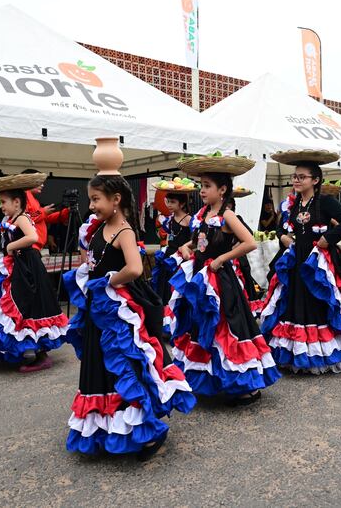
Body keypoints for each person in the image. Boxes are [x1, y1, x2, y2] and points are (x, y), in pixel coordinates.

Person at [62, 172, 195, 459]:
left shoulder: (125, 231)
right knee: (101, 367)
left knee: (126, 365)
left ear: (116, 199)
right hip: (100, 308)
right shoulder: (99, 228)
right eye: (91, 199)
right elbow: (91, 258)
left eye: (96, 199)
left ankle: (144, 434)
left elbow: (134, 269)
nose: (92, 205)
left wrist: (108, 280)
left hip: (120, 310)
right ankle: (108, 428)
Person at [170, 155, 280, 404]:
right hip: (200, 279)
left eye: (207, 185)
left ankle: (241, 383)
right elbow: (197, 241)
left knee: (225, 328)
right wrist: (187, 248)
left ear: (222, 190)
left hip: (220, 281)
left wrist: (222, 259)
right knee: (201, 327)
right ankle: (210, 379)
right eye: (201, 185)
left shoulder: (228, 216)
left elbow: (250, 243)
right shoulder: (201, 215)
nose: (202, 190)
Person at [260, 150, 341, 373]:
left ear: (316, 180)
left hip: (317, 263)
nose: (296, 181)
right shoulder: (294, 204)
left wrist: (326, 239)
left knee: (318, 301)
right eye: (294, 177)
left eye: (302, 177)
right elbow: (284, 226)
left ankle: (323, 352)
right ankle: (296, 352)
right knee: (294, 302)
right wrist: (283, 235)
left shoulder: (325, 202)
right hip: (296, 260)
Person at [0, 173, 69, 371]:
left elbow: (32, 237)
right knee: (10, 305)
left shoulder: (22, 218)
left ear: (17, 202)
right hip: (17, 264)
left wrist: (11, 247)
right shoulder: (9, 218)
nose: (1, 205)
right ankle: (17, 348)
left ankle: (38, 353)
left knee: (27, 306)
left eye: (3, 201)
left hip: (27, 265)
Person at [151, 190, 192, 305]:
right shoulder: (169, 219)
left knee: (177, 288)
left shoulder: (189, 220)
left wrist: (186, 248)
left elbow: (196, 240)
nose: (169, 205)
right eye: (168, 201)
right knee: (164, 286)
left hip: (181, 258)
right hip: (169, 256)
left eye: (172, 202)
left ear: (182, 204)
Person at [21, 169, 70, 251]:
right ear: (29, 181)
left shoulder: (32, 199)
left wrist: (66, 211)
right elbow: (25, 219)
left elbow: (43, 218)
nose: (42, 185)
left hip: (34, 247)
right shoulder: (22, 196)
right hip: (29, 247)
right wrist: (43, 212)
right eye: (40, 182)